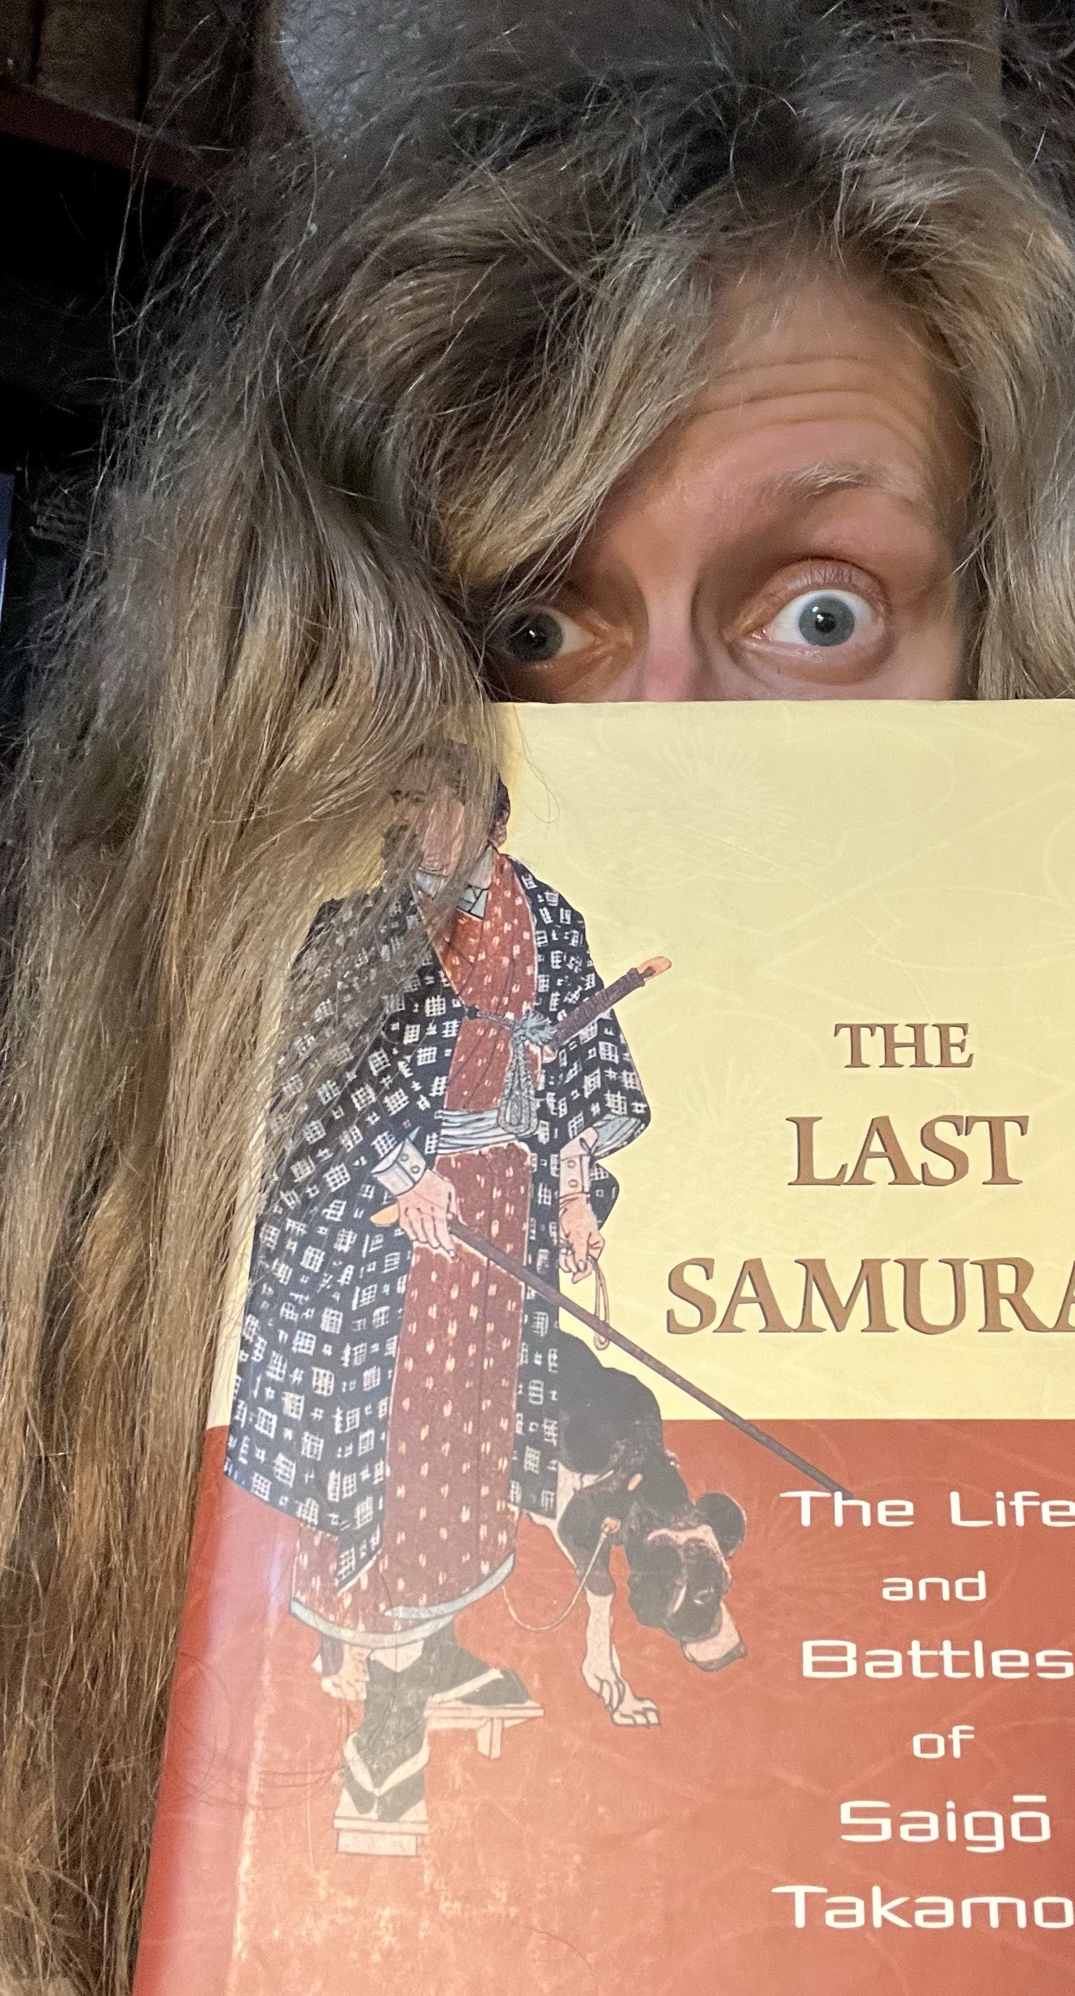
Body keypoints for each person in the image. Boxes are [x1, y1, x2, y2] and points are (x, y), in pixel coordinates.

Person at [0, 0, 1075, 1990]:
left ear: (1024, 662)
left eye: (821, 611)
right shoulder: (105, 1313)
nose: (669, 740)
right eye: (533, 624)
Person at [228, 761, 650, 1836]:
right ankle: (385, 1720)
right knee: (399, 1436)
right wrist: (400, 1171)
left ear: (489, 818)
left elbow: (579, 1062)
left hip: (502, 1210)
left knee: (474, 1433)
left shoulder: (546, 916)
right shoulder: (357, 928)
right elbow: (307, 1077)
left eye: (441, 801)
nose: (418, 820)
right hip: (395, 1229)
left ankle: (437, 1639)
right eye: (405, 800)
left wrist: (572, 1194)